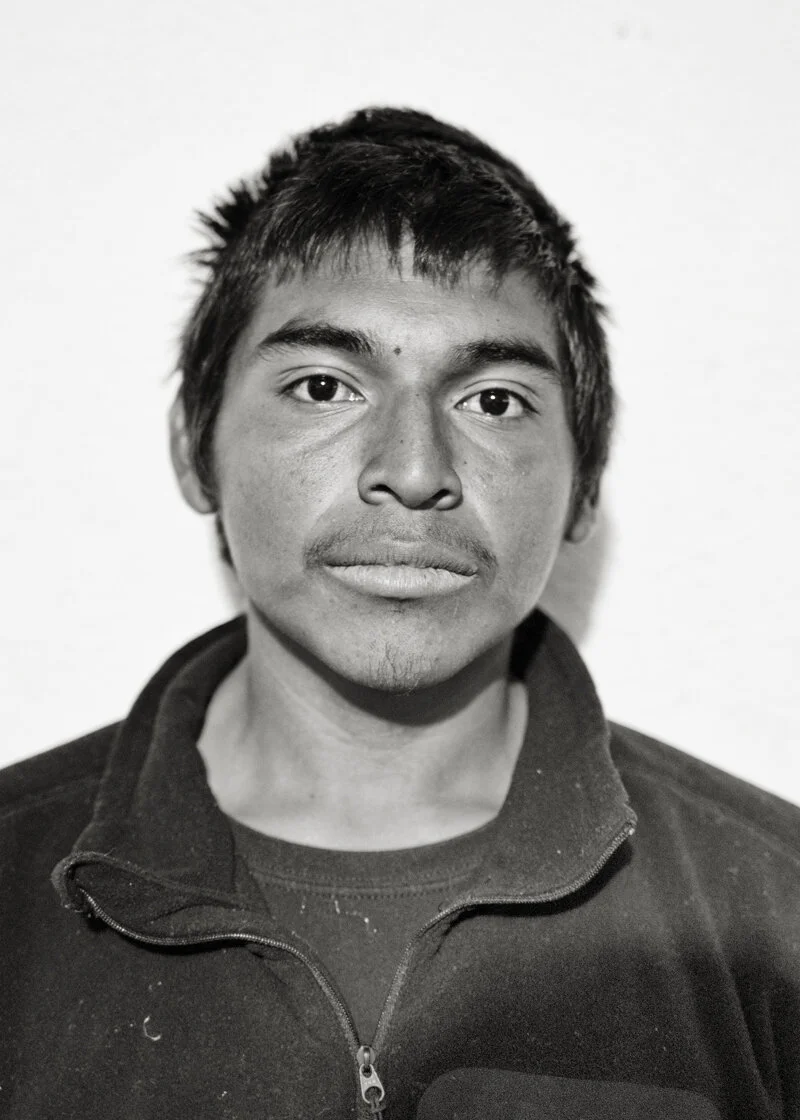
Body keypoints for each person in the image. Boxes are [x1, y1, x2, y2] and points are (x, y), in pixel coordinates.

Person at [1, 106, 797, 1120]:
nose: (414, 471)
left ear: (585, 484)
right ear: (196, 447)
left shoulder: (774, 918)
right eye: (323, 386)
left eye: (494, 400)